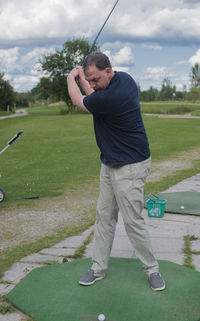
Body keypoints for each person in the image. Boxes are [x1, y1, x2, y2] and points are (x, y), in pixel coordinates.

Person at [67, 52, 165, 291]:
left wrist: (72, 78)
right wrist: (85, 80)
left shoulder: (117, 94)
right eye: (89, 81)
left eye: (95, 79)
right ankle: (98, 267)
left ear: (109, 71)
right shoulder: (124, 80)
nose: (92, 85)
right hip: (110, 162)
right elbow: (95, 97)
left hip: (130, 165)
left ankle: (152, 270)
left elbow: (82, 102)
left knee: (132, 220)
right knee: (104, 217)